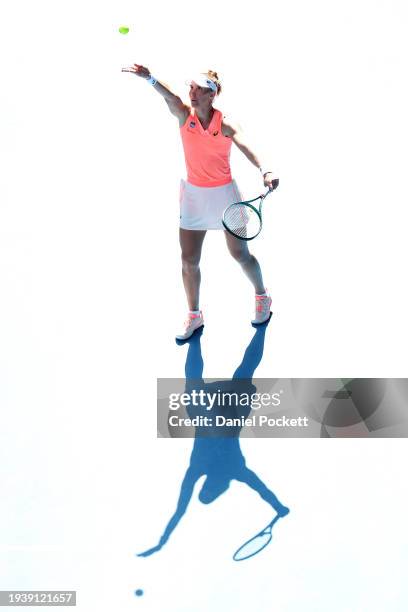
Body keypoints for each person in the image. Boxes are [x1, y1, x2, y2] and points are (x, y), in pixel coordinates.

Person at [122, 64, 279, 340]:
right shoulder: (185, 116)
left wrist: (264, 169)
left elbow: (245, 145)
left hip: (225, 197)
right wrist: (150, 78)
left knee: (240, 255)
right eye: (191, 88)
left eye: (199, 89)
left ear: (212, 95)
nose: (192, 93)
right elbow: (170, 98)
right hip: (194, 198)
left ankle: (262, 296)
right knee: (188, 261)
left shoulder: (226, 124)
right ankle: (194, 315)